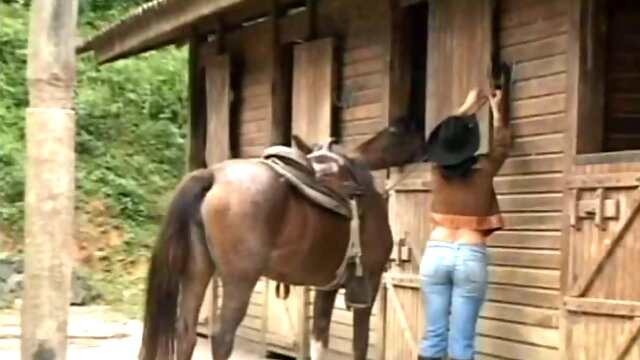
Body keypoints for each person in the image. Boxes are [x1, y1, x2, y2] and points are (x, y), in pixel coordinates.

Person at [418, 86, 510, 360]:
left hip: (436, 252)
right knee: (462, 340)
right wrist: (496, 109)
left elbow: (443, 140)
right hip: (470, 253)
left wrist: (466, 107)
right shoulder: (485, 167)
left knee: (434, 335)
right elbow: (503, 144)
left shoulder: (436, 170)